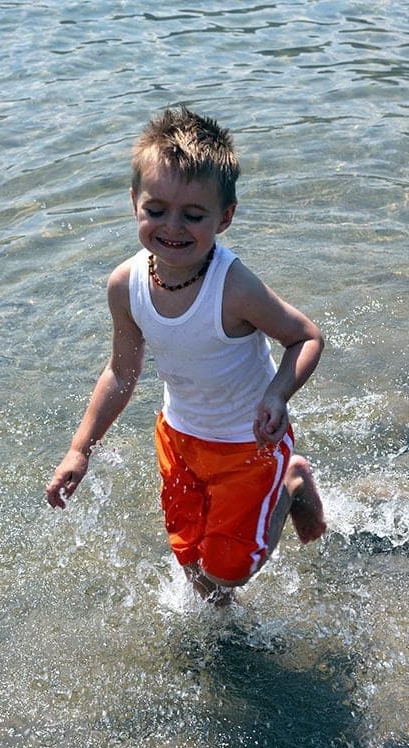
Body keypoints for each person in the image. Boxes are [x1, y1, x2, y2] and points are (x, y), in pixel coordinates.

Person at [46, 106, 327, 605]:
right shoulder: (126, 285)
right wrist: (79, 449)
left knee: (232, 570)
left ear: (225, 217)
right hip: (179, 437)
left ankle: (292, 480)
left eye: (193, 215)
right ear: (134, 202)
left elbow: (305, 337)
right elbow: (121, 371)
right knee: (191, 561)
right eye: (156, 210)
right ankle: (221, 629)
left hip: (249, 443)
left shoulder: (233, 287)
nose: (172, 227)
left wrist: (278, 393)